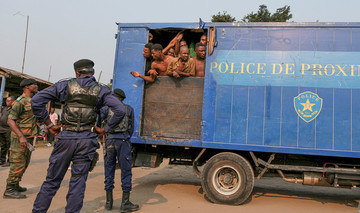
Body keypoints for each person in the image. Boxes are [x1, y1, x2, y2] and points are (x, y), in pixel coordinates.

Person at [31, 59, 126, 213]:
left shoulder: (64, 86)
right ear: (92, 72)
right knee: (78, 182)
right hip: (86, 140)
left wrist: (49, 124)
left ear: (77, 72)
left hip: (65, 137)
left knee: (52, 181)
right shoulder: (101, 90)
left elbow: (36, 101)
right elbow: (120, 110)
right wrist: (105, 129)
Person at [101, 88, 139, 212]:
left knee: (109, 169)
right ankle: (125, 203)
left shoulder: (106, 109)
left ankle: (108, 202)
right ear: (122, 98)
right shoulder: (129, 109)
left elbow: (99, 122)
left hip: (110, 140)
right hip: (123, 141)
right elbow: (131, 128)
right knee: (126, 171)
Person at [3, 79, 39, 199]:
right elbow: (10, 120)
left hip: (28, 138)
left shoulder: (31, 101)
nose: (36, 86)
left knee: (25, 163)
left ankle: (16, 184)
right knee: (18, 163)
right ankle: (9, 190)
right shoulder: (20, 101)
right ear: (27, 87)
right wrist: (21, 136)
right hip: (20, 138)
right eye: (34, 84)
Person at [0, 96, 15, 167]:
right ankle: (2, 160)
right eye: (6, 101)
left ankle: (9, 161)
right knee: (3, 146)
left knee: (10, 146)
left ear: (13, 101)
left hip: (9, 130)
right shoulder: (4, 108)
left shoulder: (14, 109)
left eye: (8, 101)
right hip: (1, 129)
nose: (7, 102)